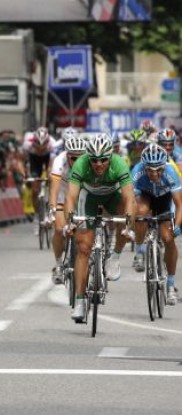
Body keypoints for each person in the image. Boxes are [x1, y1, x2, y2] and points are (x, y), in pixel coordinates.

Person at [64, 133, 135, 322]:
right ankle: (80, 301)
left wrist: (128, 225)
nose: (98, 164)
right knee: (83, 248)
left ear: (110, 156)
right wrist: (70, 221)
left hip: (113, 197)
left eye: (103, 159)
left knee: (127, 216)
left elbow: (129, 197)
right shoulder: (80, 164)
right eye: (94, 160)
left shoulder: (119, 164)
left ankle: (115, 257)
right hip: (89, 198)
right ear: (88, 158)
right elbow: (71, 196)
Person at [131, 143, 181, 305]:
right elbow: (130, 201)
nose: (154, 174)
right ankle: (139, 251)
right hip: (145, 196)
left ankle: (170, 285)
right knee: (140, 213)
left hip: (165, 199)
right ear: (143, 166)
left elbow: (179, 204)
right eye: (150, 170)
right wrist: (131, 224)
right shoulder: (137, 171)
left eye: (158, 169)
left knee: (168, 238)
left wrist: (177, 225)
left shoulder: (171, 172)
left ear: (164, 166)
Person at [48, 131, 86, 284]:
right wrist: (52, 209)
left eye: (80, 157)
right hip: (63, 196)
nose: (76, 161)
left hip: (81, 196)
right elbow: (54, 188)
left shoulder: (89, 161)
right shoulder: (59, 161)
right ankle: (58, 264)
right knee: (59, 229)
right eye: (73, 158)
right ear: (67, 155)